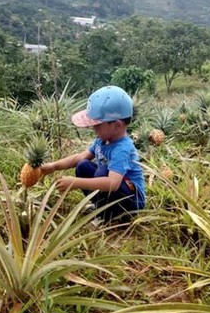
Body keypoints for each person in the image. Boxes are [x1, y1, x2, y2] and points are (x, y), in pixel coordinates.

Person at [41, 85, 145, 223]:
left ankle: (108, 216)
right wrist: (53, 166)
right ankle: (100, 207)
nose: (93, 128)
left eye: (97, 125)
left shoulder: (123, 148)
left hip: (130, 202)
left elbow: (112, 184)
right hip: (115, 191)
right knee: (83, 166)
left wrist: (75, 183)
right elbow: (79, 158)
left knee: (102, 171)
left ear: (117, 125)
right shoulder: (103, 140)